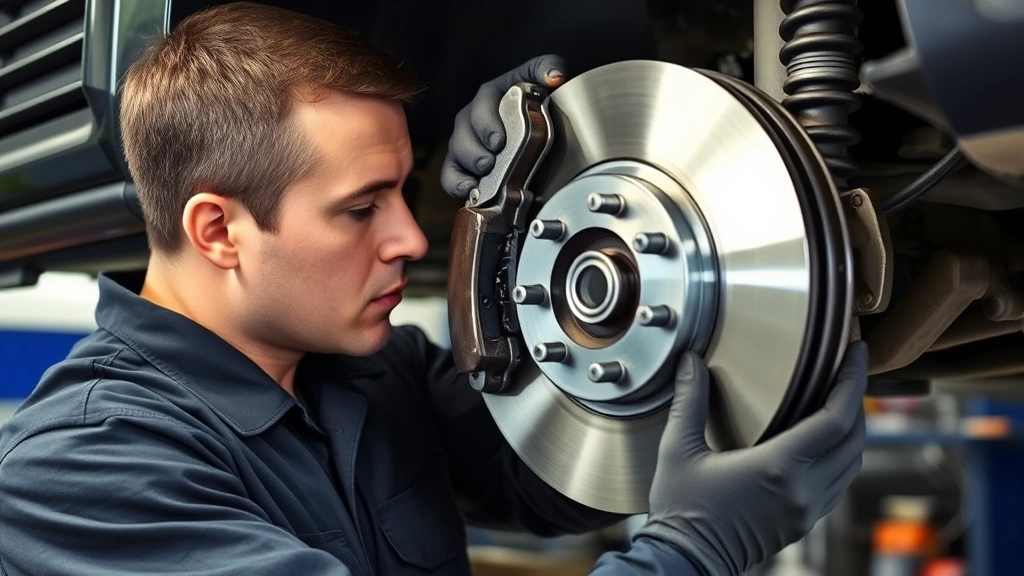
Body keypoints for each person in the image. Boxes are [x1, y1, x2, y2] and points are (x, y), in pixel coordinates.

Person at [0, 3, 868, 575]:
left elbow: (551, 477)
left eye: (406, 187)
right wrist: (698, 548)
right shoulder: (82, 472)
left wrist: (528, 192)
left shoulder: (374, 373)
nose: (413, 240)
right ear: (219, 231)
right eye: (360, 208)